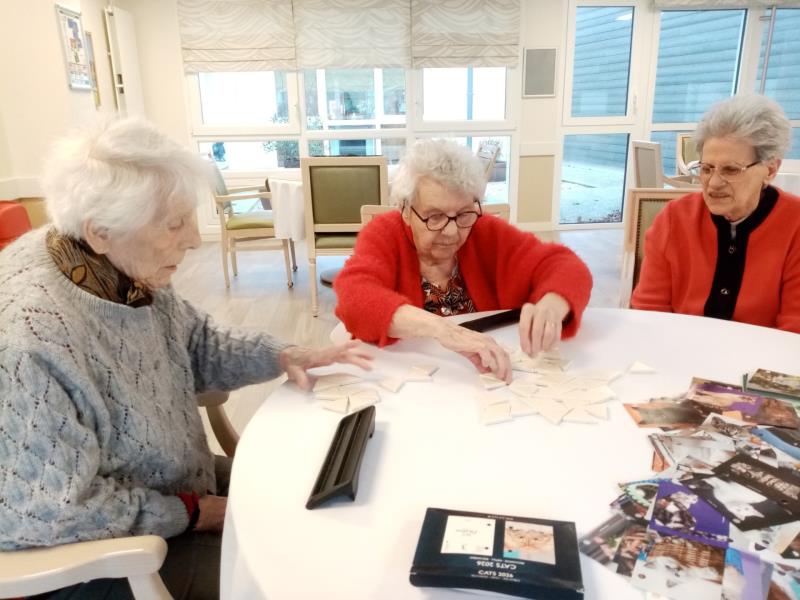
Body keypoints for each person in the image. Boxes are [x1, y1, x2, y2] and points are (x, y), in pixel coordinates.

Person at [0, 117, 371, 599]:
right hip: (101, 557)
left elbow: (195, 342)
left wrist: (284, 354)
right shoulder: (27, 344)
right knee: (299, 575)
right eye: (174, 224)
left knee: (318, 495)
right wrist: (195, 513)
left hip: (174, 485)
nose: (194, 239)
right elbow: (54, 512)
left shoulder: (124, 268)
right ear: (100, 232)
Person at [334, 139, 593, 381]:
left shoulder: (485, 231)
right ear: (405, 211)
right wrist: (443, 330)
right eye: (434, 217)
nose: (451, 231)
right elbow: (354, 298)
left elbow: (566, 266)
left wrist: (552, 303)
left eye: (463, 214)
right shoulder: (384, 233)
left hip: (484, 379)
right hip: (411, 379)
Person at [631, 94, 800, 333]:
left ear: (770, 170)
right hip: (679, 347)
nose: (713, 184)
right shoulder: (674, 219)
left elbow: (794, 331)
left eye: (731, 170)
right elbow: (649, 313)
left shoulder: (795, 225)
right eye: (707, 168)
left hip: (764, 355)